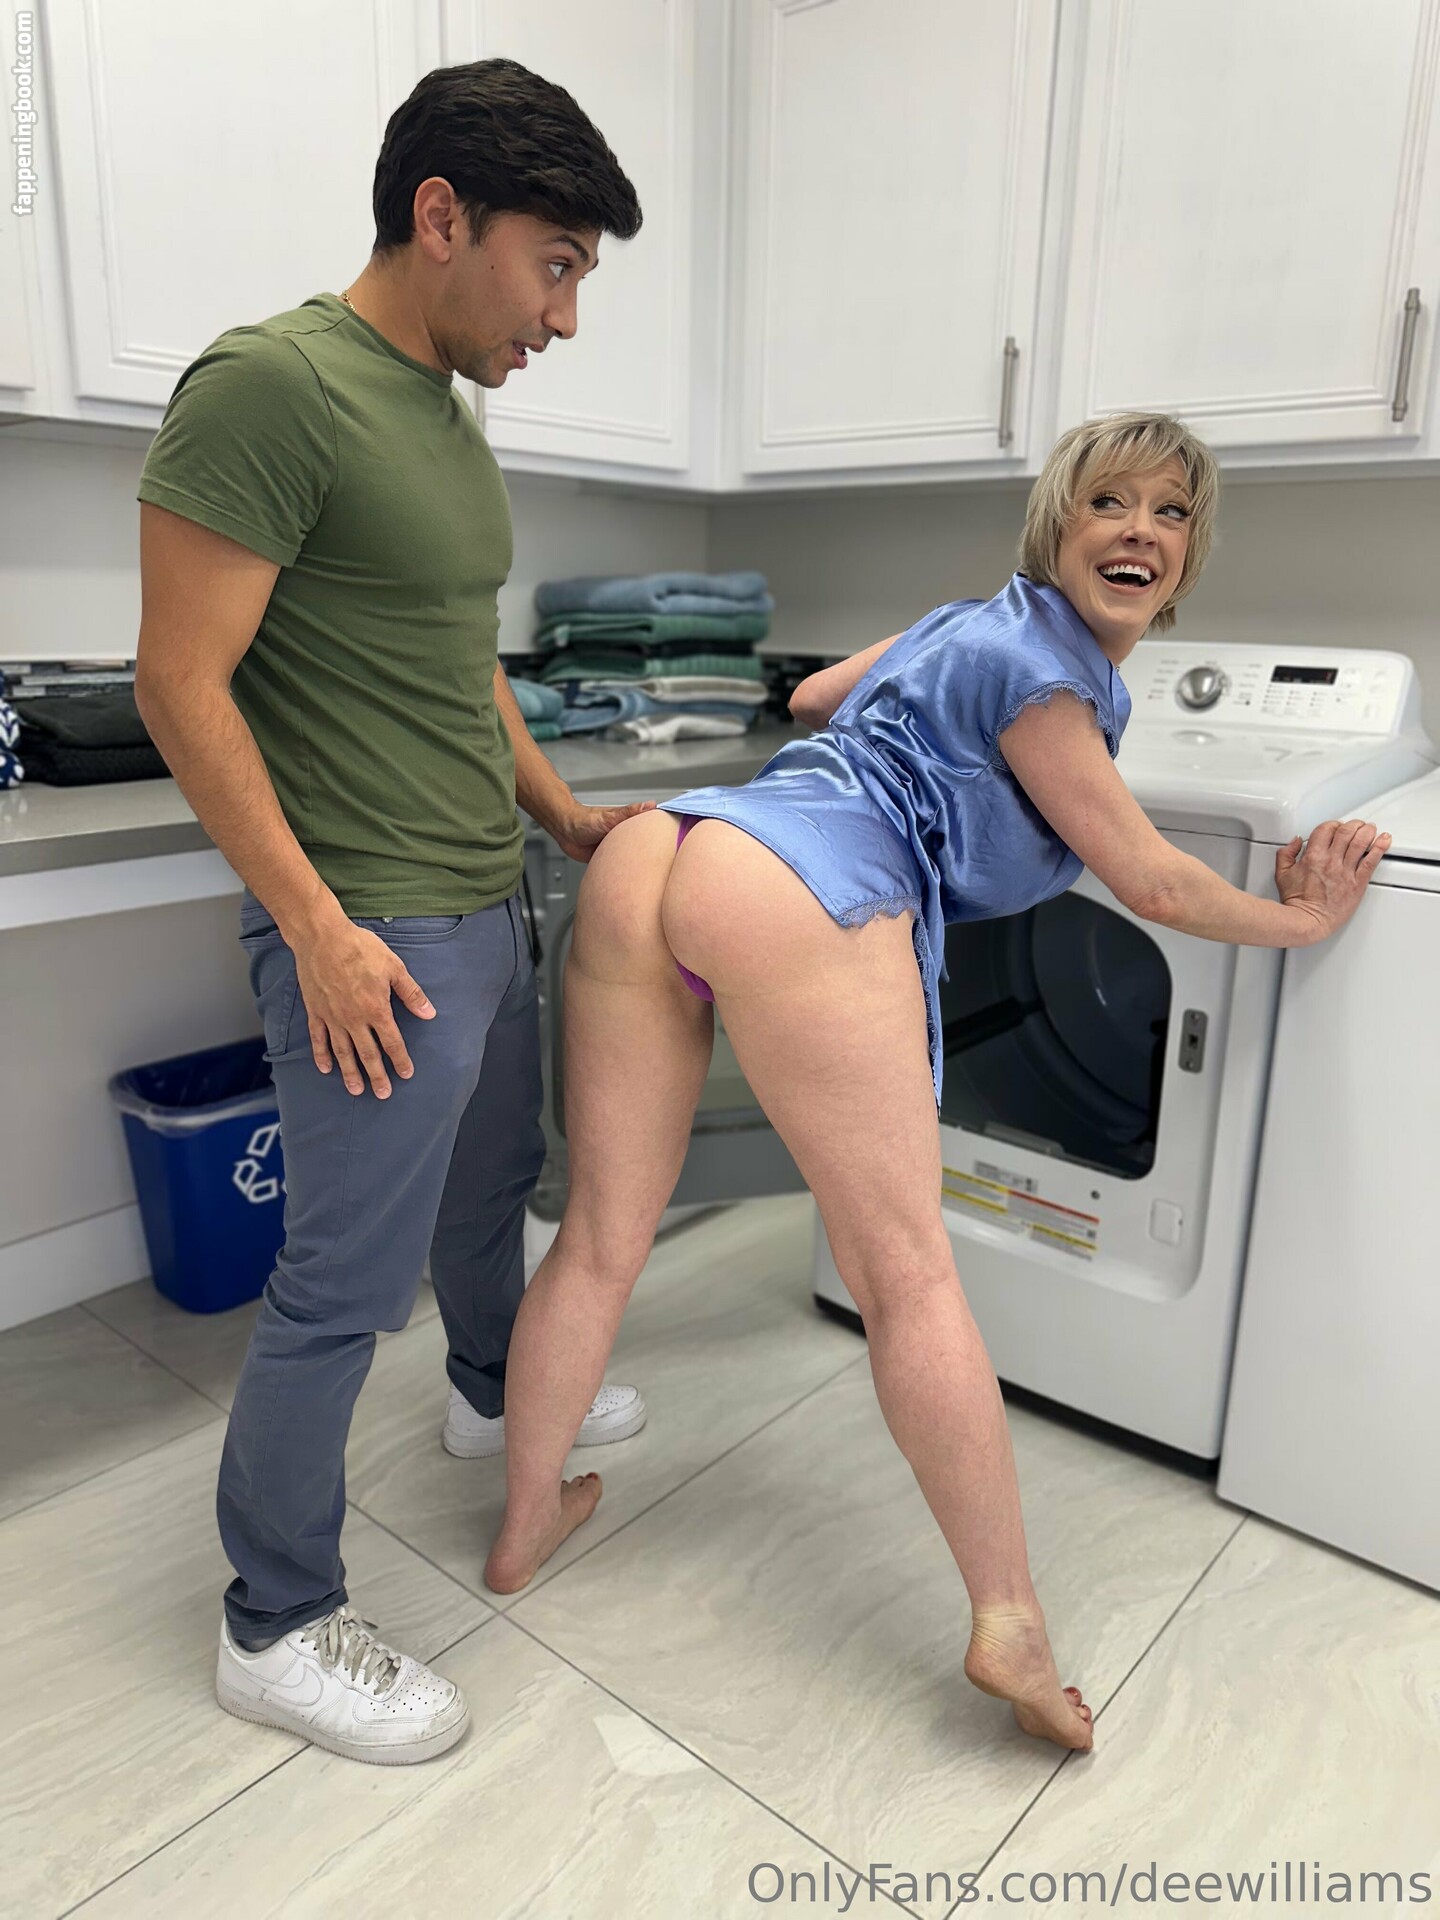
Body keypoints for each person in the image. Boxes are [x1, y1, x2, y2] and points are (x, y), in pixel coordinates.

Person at [479, 411, 1393, 1753]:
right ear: (1057, 524)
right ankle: (1008, 1620)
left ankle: (522, 1524)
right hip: (804, 883)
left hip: (668, 850)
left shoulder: (969, 626)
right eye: (1110, 502)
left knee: (605, 1234)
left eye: (1171, 512)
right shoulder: (1050, 682)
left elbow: (810, 702)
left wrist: (924, 701)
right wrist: (1303, 922)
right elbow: (1152, 883)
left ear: (1189, 556)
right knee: (908, 1275)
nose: (1141, 531)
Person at [134, 59, 655, 1767]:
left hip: (487, 896)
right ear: (443, 217)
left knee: (492, 1190)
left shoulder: (447, 410)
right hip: (372, 930)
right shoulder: (271, 388)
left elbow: (457, 653)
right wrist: (313, 927)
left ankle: (492, 1394)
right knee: (342, 1287)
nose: (563, 315)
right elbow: (178, 682)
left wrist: (558, 814)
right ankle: (274, 1621)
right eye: (554, 264)